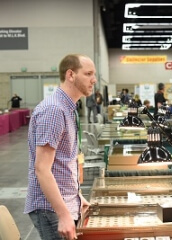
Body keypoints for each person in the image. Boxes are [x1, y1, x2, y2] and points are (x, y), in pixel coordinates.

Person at [24, 54, 94, 240]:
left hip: (66, 202)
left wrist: (77, 196)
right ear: (71, 75)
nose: (93, 80)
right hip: (51, 209)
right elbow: (42, 169)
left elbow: (65, 161)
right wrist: (63, 214)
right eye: (88, 74)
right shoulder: (54, 110)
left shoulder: (68, 108)